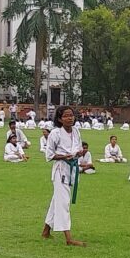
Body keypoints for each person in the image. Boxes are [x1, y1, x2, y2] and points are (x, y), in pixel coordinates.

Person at [42, 106, 86, 247]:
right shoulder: (55, 133)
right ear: (60, 119)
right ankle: (68, 238)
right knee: (63, 203)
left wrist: (79, 153)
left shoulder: (76, 131)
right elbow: (49, 155)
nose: (70, 118)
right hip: (60, 169)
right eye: (66, 116)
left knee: (57, 200)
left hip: (72, 168)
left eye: (71, 115)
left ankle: (46, 231)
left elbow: (77, 148)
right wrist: (63, 156)